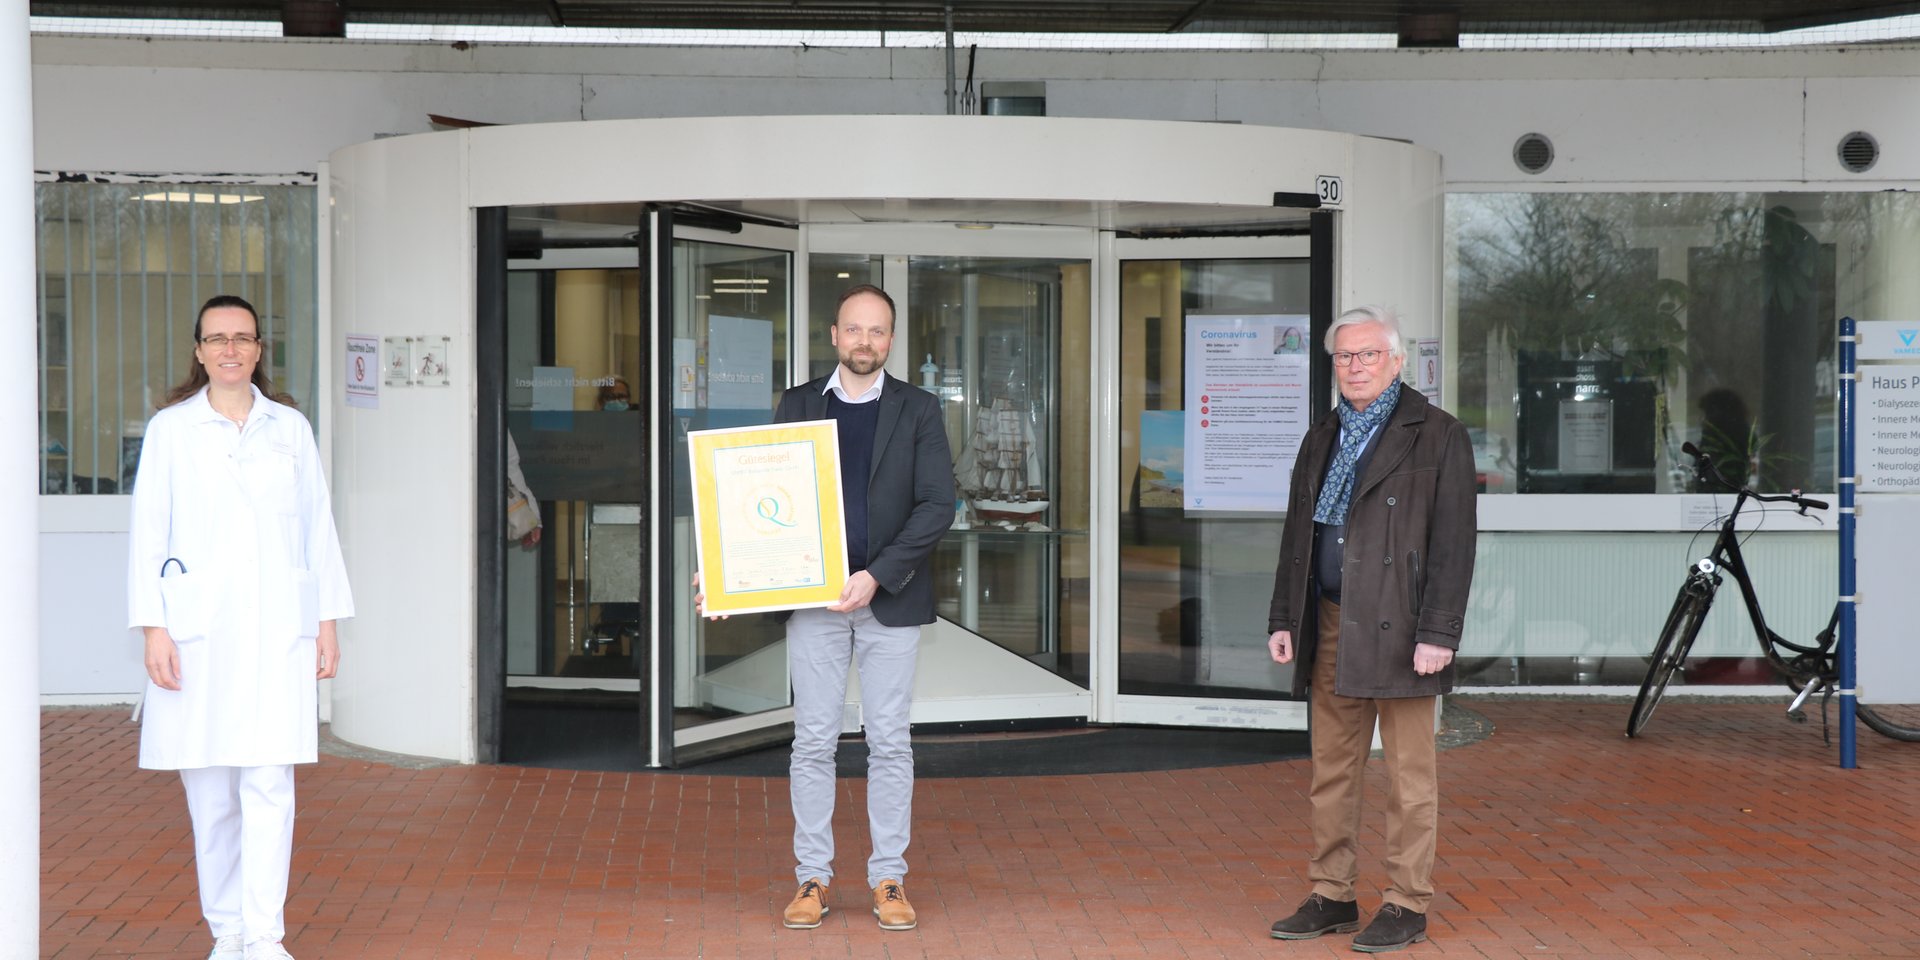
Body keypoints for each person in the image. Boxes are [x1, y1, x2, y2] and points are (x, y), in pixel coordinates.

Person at [702, 284, 954, 932]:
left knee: (889, 742)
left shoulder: (920, 408)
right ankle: (812, 877)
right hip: (813, 601)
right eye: (854, 329)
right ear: (835, 335)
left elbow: (937, 506)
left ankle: (888, 878)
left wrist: (877, 576)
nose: (865, 341)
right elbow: (761, 494)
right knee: (813, 741)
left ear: (890, 339)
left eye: (878, 330)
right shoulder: (798, 403)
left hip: (888, 600)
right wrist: (730, 576)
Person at [126, 295, 354, 960]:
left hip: (277, 631)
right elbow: (149, 533)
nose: (231, 349)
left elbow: (317, 528)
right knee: (211, 795)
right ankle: (228, 932)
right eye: (218, 338)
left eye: (243, 338)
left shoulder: (290, 429)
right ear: (199, 351)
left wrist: (326, 623)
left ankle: (264, 935)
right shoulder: (172, 430)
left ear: (258, 350)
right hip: (197, 633)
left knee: (269, 785)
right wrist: (153, 629)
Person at [1264, 305, 1476, 954]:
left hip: (1404, 629)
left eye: (1368, 354)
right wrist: (1284, 617)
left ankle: (1407, 902)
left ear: (1396, 360)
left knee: (1409, 779)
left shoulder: (1438, 434)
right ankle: (1332, 893)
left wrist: (1439, 631)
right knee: (1332, 771)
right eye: (1344, 356)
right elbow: (1298, 537)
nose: (1355, 367)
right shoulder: (1322, 435)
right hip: (1330, 620)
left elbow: (1454, 545)